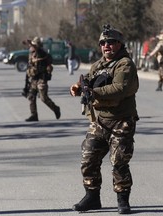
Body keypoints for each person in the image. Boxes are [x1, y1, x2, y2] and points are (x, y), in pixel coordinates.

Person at [70, 24, 139, 214]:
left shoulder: (124, 64)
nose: (106, 46)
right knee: (88, 159)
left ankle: (122, 200)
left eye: (111, 42)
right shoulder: (98, 65)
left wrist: (93, 92)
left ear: (119, 44)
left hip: (121, 120)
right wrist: (78, 88)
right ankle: (92, 197)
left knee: (119, 161)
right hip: (99, 121)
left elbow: (120, 88)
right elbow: (90, 83)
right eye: (103, 43)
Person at [25, 36, 61, 122]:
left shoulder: (42, 53)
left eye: (33, 45)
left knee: (43, 98)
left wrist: (32, 44)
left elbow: (39, 51)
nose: (31, 46)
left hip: (42, 78)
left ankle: (56, 109)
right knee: (31, 96)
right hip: (34, 78)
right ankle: (34, 115)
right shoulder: (32, 53)